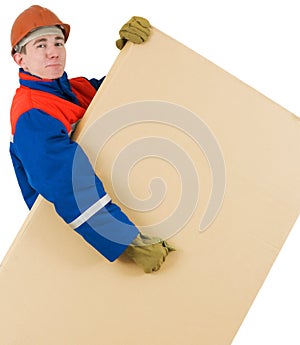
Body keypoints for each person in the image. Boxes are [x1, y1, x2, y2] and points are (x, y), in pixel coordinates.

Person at [9, 5, 174, 273]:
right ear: (20, 59)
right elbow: (66, 184)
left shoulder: (73, 90)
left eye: (58, 42)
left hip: (117, 215)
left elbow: (122, 91)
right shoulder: (32, 113)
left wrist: (136, 53)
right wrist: (127, 243)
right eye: (40, 45)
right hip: (79, 246)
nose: (53, 52)